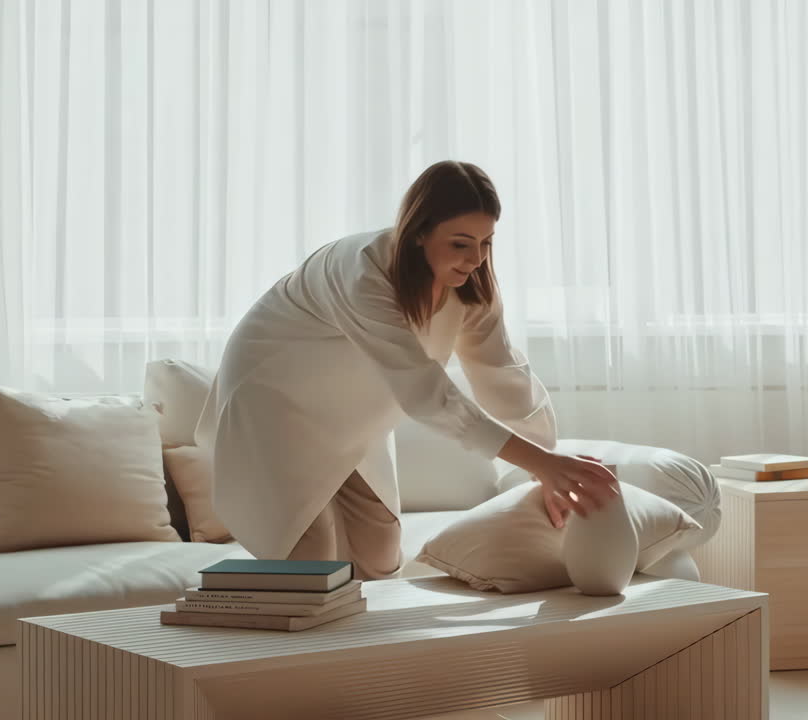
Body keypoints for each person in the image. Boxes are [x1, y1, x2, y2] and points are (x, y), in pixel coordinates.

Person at [195, 160, 619, 580]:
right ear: (418, 232)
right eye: (460, 243)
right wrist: (544, 464)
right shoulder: (362, 270)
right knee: (309, 563)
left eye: (486, 242)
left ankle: (373, 649)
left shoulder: (471, 288)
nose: (475, 258)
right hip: (274, 404)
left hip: (352, 412)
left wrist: (543, 461)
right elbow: (427, 396)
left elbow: (502, 373)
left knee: (379, 554)